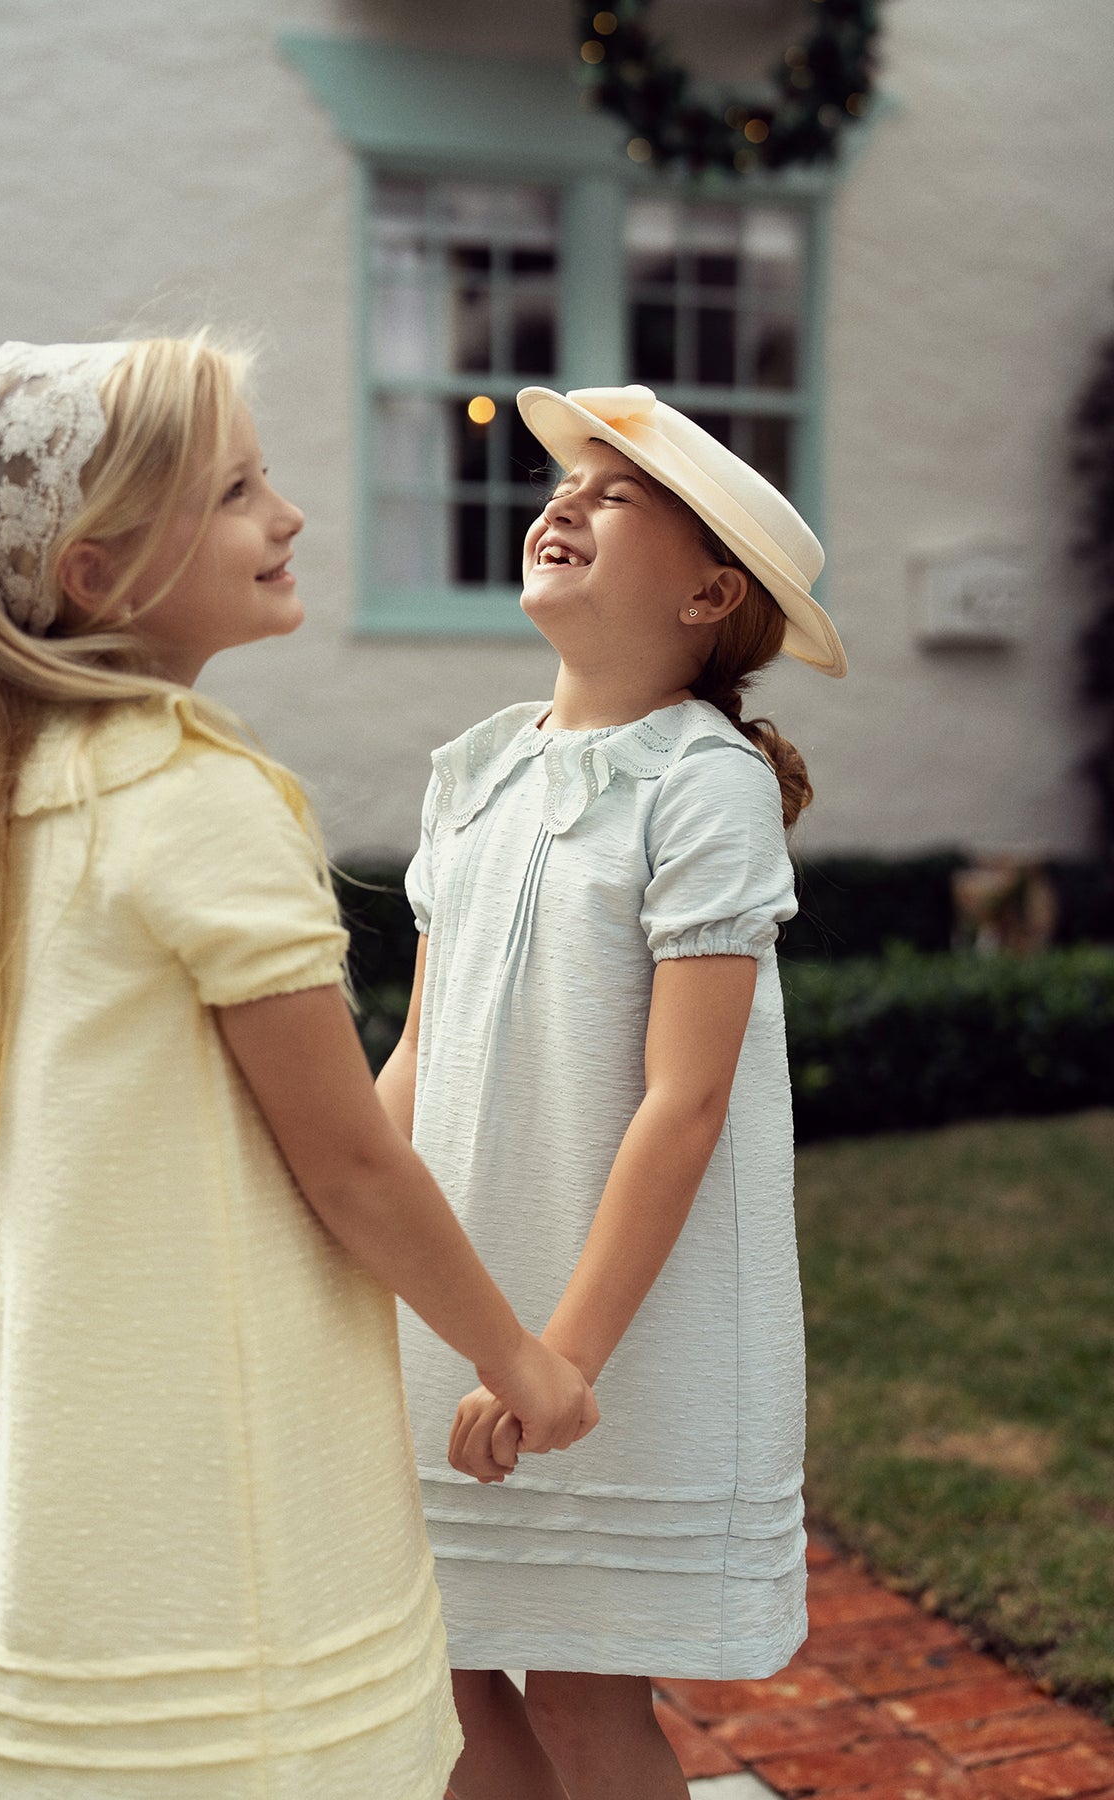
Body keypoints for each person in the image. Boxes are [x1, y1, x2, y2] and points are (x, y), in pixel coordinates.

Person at [0, 335, 597, 1799]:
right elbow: (347, 1160)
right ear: (99, 573)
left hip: (58, 1428)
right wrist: (516, 1353)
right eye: (234, 491)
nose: (285, 516)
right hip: (207, 1425)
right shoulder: (195, 799)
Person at [377, 384, 848, 1800]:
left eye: (615, 493)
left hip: (608, 1321)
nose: (564, 501)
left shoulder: (703, 784)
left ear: (711, 592)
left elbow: (685, 1103)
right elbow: (420, 1051)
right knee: (431, 1683)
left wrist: (564, 1352)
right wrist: (321, 1211)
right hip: (454, 1296)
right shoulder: (474, 772)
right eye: (561, 482)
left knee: (583, 1695)